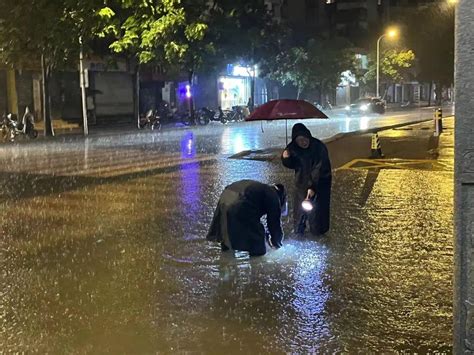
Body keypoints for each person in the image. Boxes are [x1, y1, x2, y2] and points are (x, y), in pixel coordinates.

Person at [206, 180, 286, 256]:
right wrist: (278, 244)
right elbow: (274, 225)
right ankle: (256, 267)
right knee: (257, 243)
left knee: (227, 237)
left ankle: (225, 262)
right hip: (239, 203)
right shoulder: (273, 196)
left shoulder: (261, 189)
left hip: (226, 198)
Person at [281, 123, 332, 237]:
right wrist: (286, 158)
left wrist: (312, 187)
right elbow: (292, 164)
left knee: (318, 213)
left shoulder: (319, 147)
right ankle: (299, 230)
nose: (303, 142)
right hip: (301, 182)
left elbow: (320, 169)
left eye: (305, 139)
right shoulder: (292, 148)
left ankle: (319, 233)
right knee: (300, 212)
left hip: (320, 183)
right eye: (299, 140)